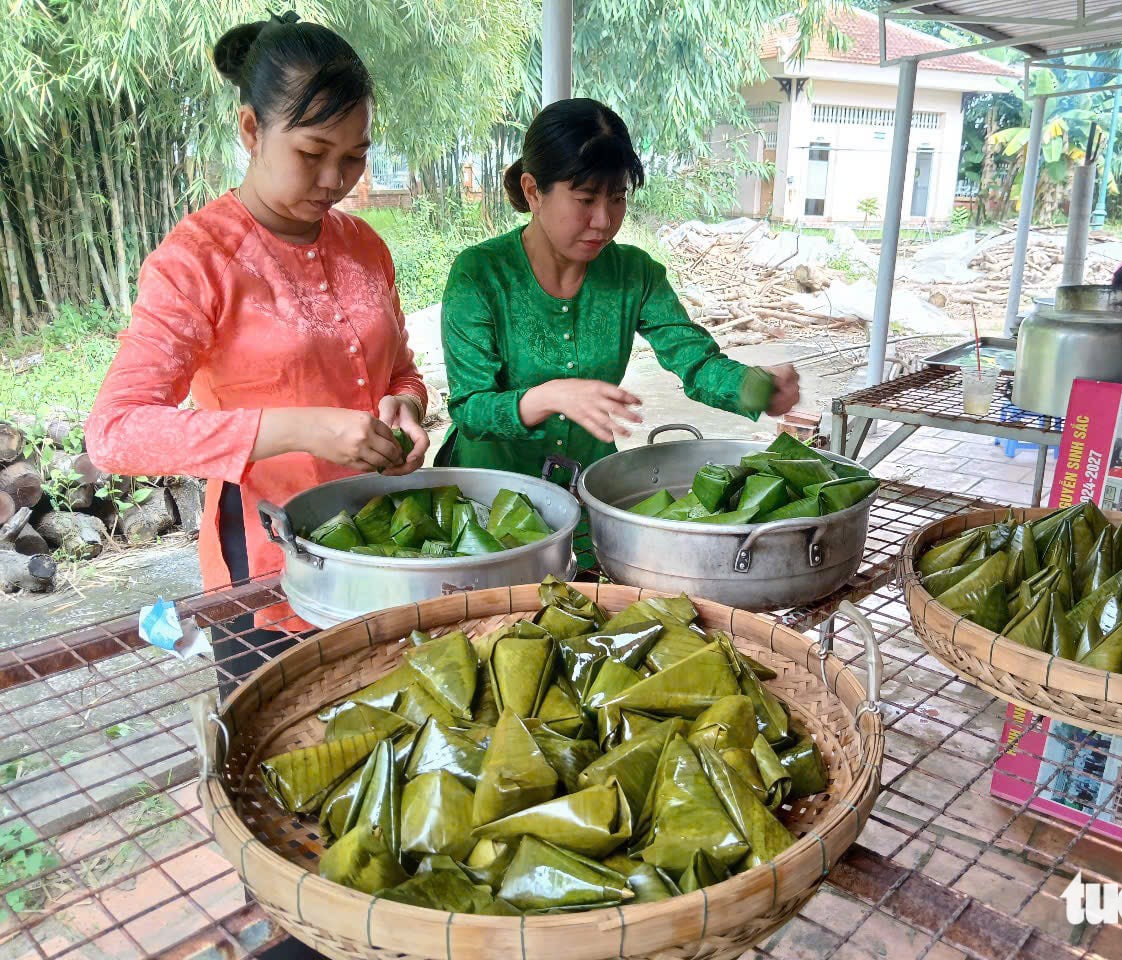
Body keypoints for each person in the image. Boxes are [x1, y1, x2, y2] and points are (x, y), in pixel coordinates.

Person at [87, 14, 430, 695]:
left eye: (355, 155)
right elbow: (115, 434)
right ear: (251, 131)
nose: (336, 177)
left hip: (389, 542)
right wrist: (301, 427)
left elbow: (398, 368)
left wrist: (407, 406)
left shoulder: (364, 245)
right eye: (312, 153)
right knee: (281, 760)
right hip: (272, 559)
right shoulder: (198, 261)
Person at [435, 98, 800, 479]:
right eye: (585, 199)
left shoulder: (634, 274)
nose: (604, 220)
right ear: (533, 192)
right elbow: (470, 408)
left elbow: (697, 363)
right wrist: (547, 397)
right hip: (489, 500)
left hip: (587, 486)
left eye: (617, 197)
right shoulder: (480, 274)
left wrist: (756, 387)